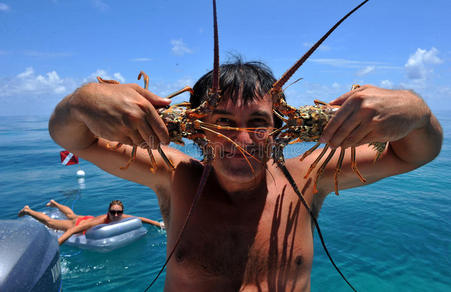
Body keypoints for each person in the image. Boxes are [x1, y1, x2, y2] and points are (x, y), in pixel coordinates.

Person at [48, 60, 442, 291]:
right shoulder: (174, 174)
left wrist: (416, 112)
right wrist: (80, 101)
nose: (241, 139)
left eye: (258, 122)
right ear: (197, 130)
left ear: (281, 126)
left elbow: (414, 152)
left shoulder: (308, 175)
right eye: (222, 123)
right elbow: (74, 137)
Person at [18, 199, 164, 245]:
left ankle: (55, 203)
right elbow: (73, 231)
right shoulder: (101, 220)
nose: (116, 215)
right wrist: (57, 244)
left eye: (119, 212)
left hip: (86, 218)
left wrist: (159, 225)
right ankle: (28, 210)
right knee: (50, 223)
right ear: (108, 212)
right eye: (113, 212)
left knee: (71, 214)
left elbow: (141, 219)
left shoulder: (122, 216)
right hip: (80, 224)